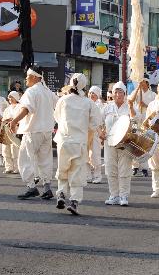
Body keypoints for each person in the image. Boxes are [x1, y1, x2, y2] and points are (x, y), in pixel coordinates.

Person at [53, 74, 102, 215]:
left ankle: (61, 193)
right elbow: (95, 123)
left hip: (63, 140)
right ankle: (74, 201)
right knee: (76, 171)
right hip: (79, 141)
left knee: (63, 169)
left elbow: (57, 117)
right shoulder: (88, 103)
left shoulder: (63, 100)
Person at [9, 69, 57, 200]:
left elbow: (26, 109)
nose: (25, 79)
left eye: (27, 77)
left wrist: (14, 121)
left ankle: (31, 187)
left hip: (33, 130)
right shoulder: (48, 92)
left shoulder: (32, 91)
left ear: (35, 77)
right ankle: (47, 187)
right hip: (47, 131)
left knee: (25, 159)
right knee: (45, 160)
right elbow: (58, 107)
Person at [101, 82, 135, 206]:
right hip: (109, 142)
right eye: (115, 92)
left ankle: (124, 196)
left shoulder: (129, 106)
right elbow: (97, 122)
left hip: (125, 143)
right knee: (111, 169)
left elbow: (136, 121)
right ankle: (114, 195)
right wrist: (101, 132)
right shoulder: (107, 107)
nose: (117, 94)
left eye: (120, 92)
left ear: (124, 94)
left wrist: (131, 108)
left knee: (124, 170)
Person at [86, 86, 105, 184]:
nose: (91, 95)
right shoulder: (85, 103)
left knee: (95, 154)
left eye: (93, 93)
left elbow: (99, 121)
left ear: (98, 95)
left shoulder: (100, 105)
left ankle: (97, 175)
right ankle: (88, 175)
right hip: (86, 132)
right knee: (85, 154)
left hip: (96, 133)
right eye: (90, 93)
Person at [1, 91, 22, 174]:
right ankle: (8, 167)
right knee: (6, 149)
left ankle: (17, 167)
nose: (10, 99)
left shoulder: (20, 107)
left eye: (11, 97)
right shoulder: (7, 108)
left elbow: (21, 118)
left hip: (16, 130)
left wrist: (13, 120)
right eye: (9, 97)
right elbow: (3, 119)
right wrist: (6, 120)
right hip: (7, 130)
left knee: (15, 149)